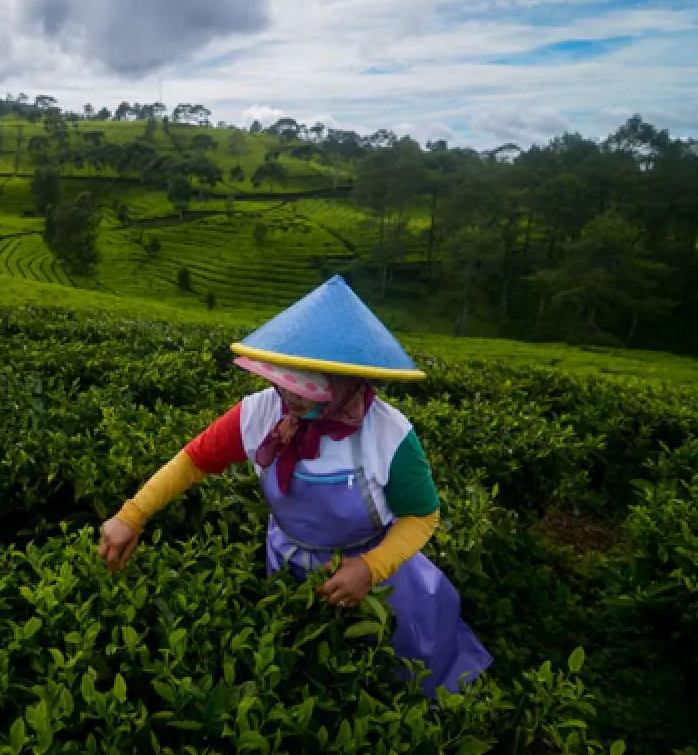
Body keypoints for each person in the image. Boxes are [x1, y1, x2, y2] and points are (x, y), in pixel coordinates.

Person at [98, 276, 493, 695]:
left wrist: (370, 568)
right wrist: (132, 515)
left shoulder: (389, 436)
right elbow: (192, 461)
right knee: (301, 673)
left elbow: (421, 515)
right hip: (288, 563)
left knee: (396, 675)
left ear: (346, 381)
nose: (289, 396)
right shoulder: (259, 413)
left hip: (376, 576)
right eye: (282, 380)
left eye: (305, 386)